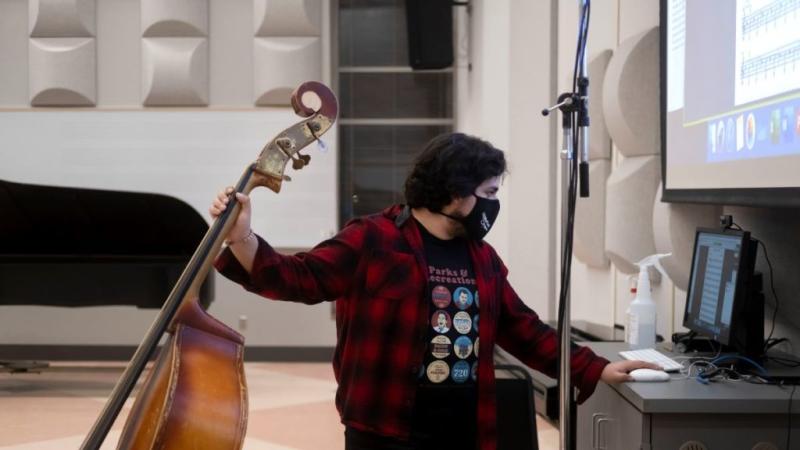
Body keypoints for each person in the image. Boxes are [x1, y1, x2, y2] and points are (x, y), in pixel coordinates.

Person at [210, 132, 657, 450]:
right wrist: (242, 238)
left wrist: (594, 368)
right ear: (455, 190)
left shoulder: (481, 257)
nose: (492, 203)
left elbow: (522, 328)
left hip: (466, 429)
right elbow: (297, 278)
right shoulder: (372, 239)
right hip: (384, 427)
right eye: (487, 192)